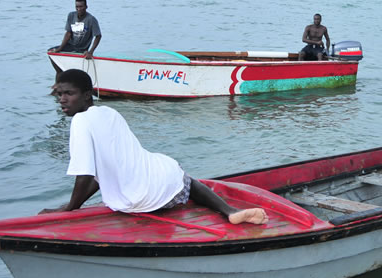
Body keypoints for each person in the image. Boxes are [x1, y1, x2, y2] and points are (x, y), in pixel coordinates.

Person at [41, 69, 268, 226]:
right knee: (181, 175)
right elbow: (95, 175)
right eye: (59, 94)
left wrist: (69, 208)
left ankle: (231, 212)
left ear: (87, 95)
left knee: (176, 174)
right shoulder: (109, 112)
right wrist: (72, 206)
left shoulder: (80, 122)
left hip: (133, 201)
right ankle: (230, 211)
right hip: (150, 191)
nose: (62, 99)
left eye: (69, 93)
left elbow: (86, 175)